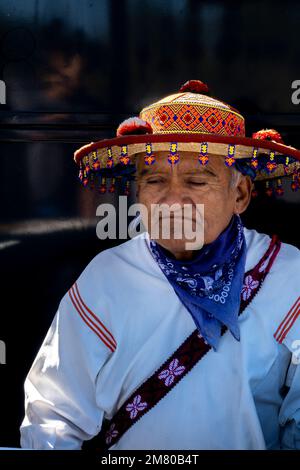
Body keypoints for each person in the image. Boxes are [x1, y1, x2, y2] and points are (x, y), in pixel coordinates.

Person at [20, 80, 300, 450]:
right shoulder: (107, 279)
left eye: (197, 180)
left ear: (240, 194)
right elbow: (53, 417)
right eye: (154, 180)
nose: (173, 200)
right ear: (138, 193)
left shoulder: (287, 275)